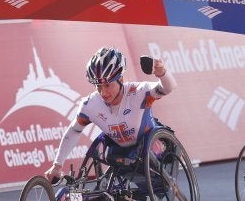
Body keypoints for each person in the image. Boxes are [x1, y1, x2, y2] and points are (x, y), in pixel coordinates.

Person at [44, 47, 176, 188]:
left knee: (147, 153)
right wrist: (57, 165)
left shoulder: (138, 92)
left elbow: (168, 88)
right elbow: (74, 130)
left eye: (107, 85)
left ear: (121, 79)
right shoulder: (90, 105)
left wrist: (162, 72)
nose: (103, 92)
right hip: (121, 154)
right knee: (111, 156)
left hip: (151, 147)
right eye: (98, 86)